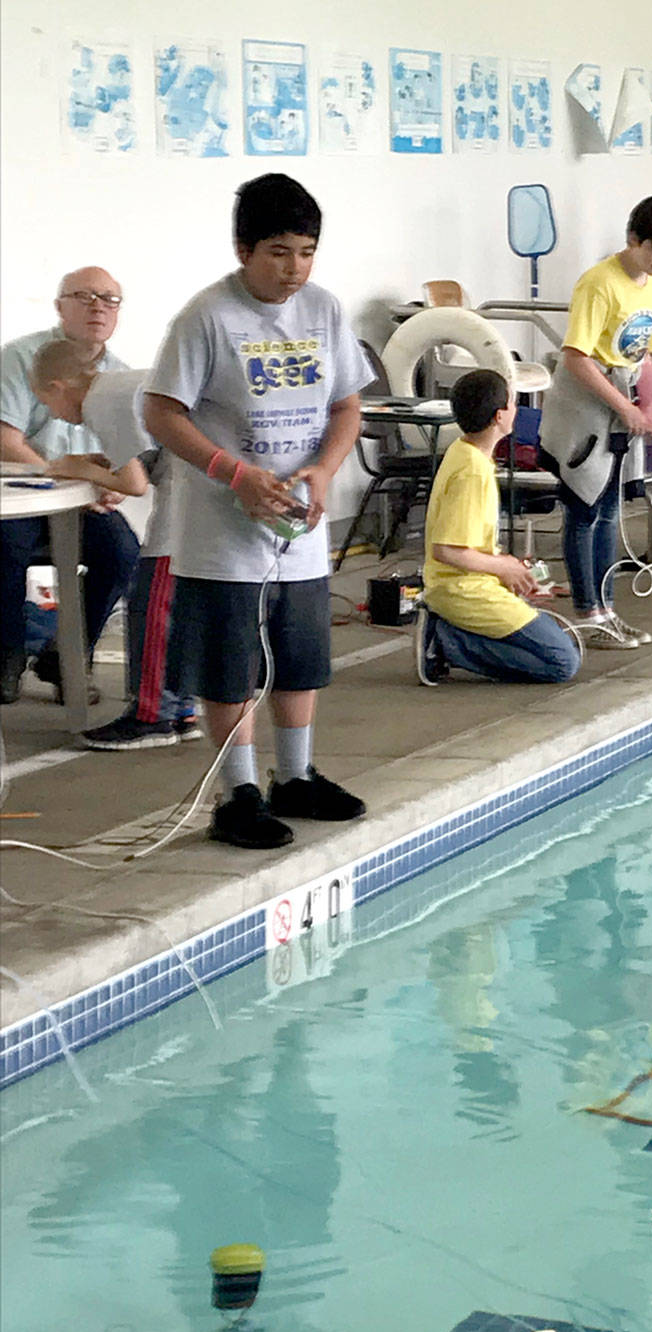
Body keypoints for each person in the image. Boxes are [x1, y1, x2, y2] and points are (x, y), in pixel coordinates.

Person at [144, 173, 374, 849]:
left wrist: (325, 470)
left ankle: (295, 776)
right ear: (243, 250)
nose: (294, 269)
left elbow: (347, 406)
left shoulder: (324, 310)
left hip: (298, 522)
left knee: (300, 658)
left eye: (306, 252)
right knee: (231, 668)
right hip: (222, 529)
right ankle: (237, 793)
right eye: (278, 252)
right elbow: (161, 411)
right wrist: (234, 473)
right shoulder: (207, 317)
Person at [29, 339, 200, 749]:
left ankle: (152, 715)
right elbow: (145, 456)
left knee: (153, 605)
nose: (56, 417)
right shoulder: (123, 386)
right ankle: (180, 707)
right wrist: (97, 465)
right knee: (184, 607)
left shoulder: (101, 403)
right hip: (197, 491)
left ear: (58, 387)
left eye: (48, 405)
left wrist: (78, 468)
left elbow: (133, 484)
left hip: (189, 501)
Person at [538, 195, 652, 651]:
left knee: (610, 510)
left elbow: (645, 354)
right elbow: (575, 357)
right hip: (584, 404)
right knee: (583, 507)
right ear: (633, 239)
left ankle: (607, 610)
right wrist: (624, 406)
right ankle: (588, 613)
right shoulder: (598, 283)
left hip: (622, 400)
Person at [0, 266, 140, 705]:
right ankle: (7, 656)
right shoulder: (22, 358)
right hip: (22, 493)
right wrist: (65, 478)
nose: (98, 307)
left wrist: (106, 485)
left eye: (109, 299)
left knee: (121, 551)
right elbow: (6, 440)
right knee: (7, 544)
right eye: (84, 296)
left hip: (80, 498)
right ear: (60, 307)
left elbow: (129, 468)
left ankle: (68, 655)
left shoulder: (118, 378)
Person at [420, 368, 581, 684]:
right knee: (562, 661)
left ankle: (451, 637)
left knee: (558, 644)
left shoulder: (464, 452)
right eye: (512, 403)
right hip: (461, 590)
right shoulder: (472, 472)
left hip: (471, 583)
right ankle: (445, 643)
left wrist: (511, 570)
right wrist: (504, 567)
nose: (516, 409)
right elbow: (446, 550)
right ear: (498, 416)